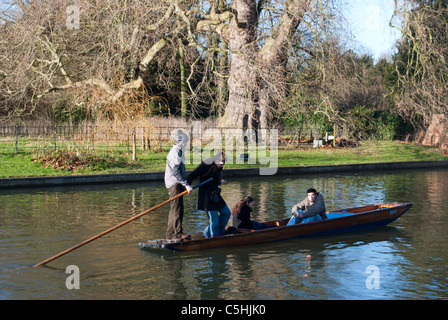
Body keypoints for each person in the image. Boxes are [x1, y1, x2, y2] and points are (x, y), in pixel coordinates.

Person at [187, 152, 231, 238]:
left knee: (226, 213)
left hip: (215, 195)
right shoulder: (206, 165)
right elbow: (192, 174)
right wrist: (188, 186)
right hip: (206, 197)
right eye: (221, 163)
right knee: (214, 221)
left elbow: (215, 178)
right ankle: (214, 237)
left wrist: (220, 181)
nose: (222, 165)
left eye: (223, 163)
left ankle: (212, 232)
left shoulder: (219, 167)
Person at [164, 130, 193, 240]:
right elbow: (176, 171)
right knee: (176, 209)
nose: (187, 145)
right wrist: (186, 184)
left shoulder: (178, 151)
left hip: (176, 183)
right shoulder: (175, 153)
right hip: (174, 184)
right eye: (186, 143)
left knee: (177, 208)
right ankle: (176, 234)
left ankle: (172, 233)